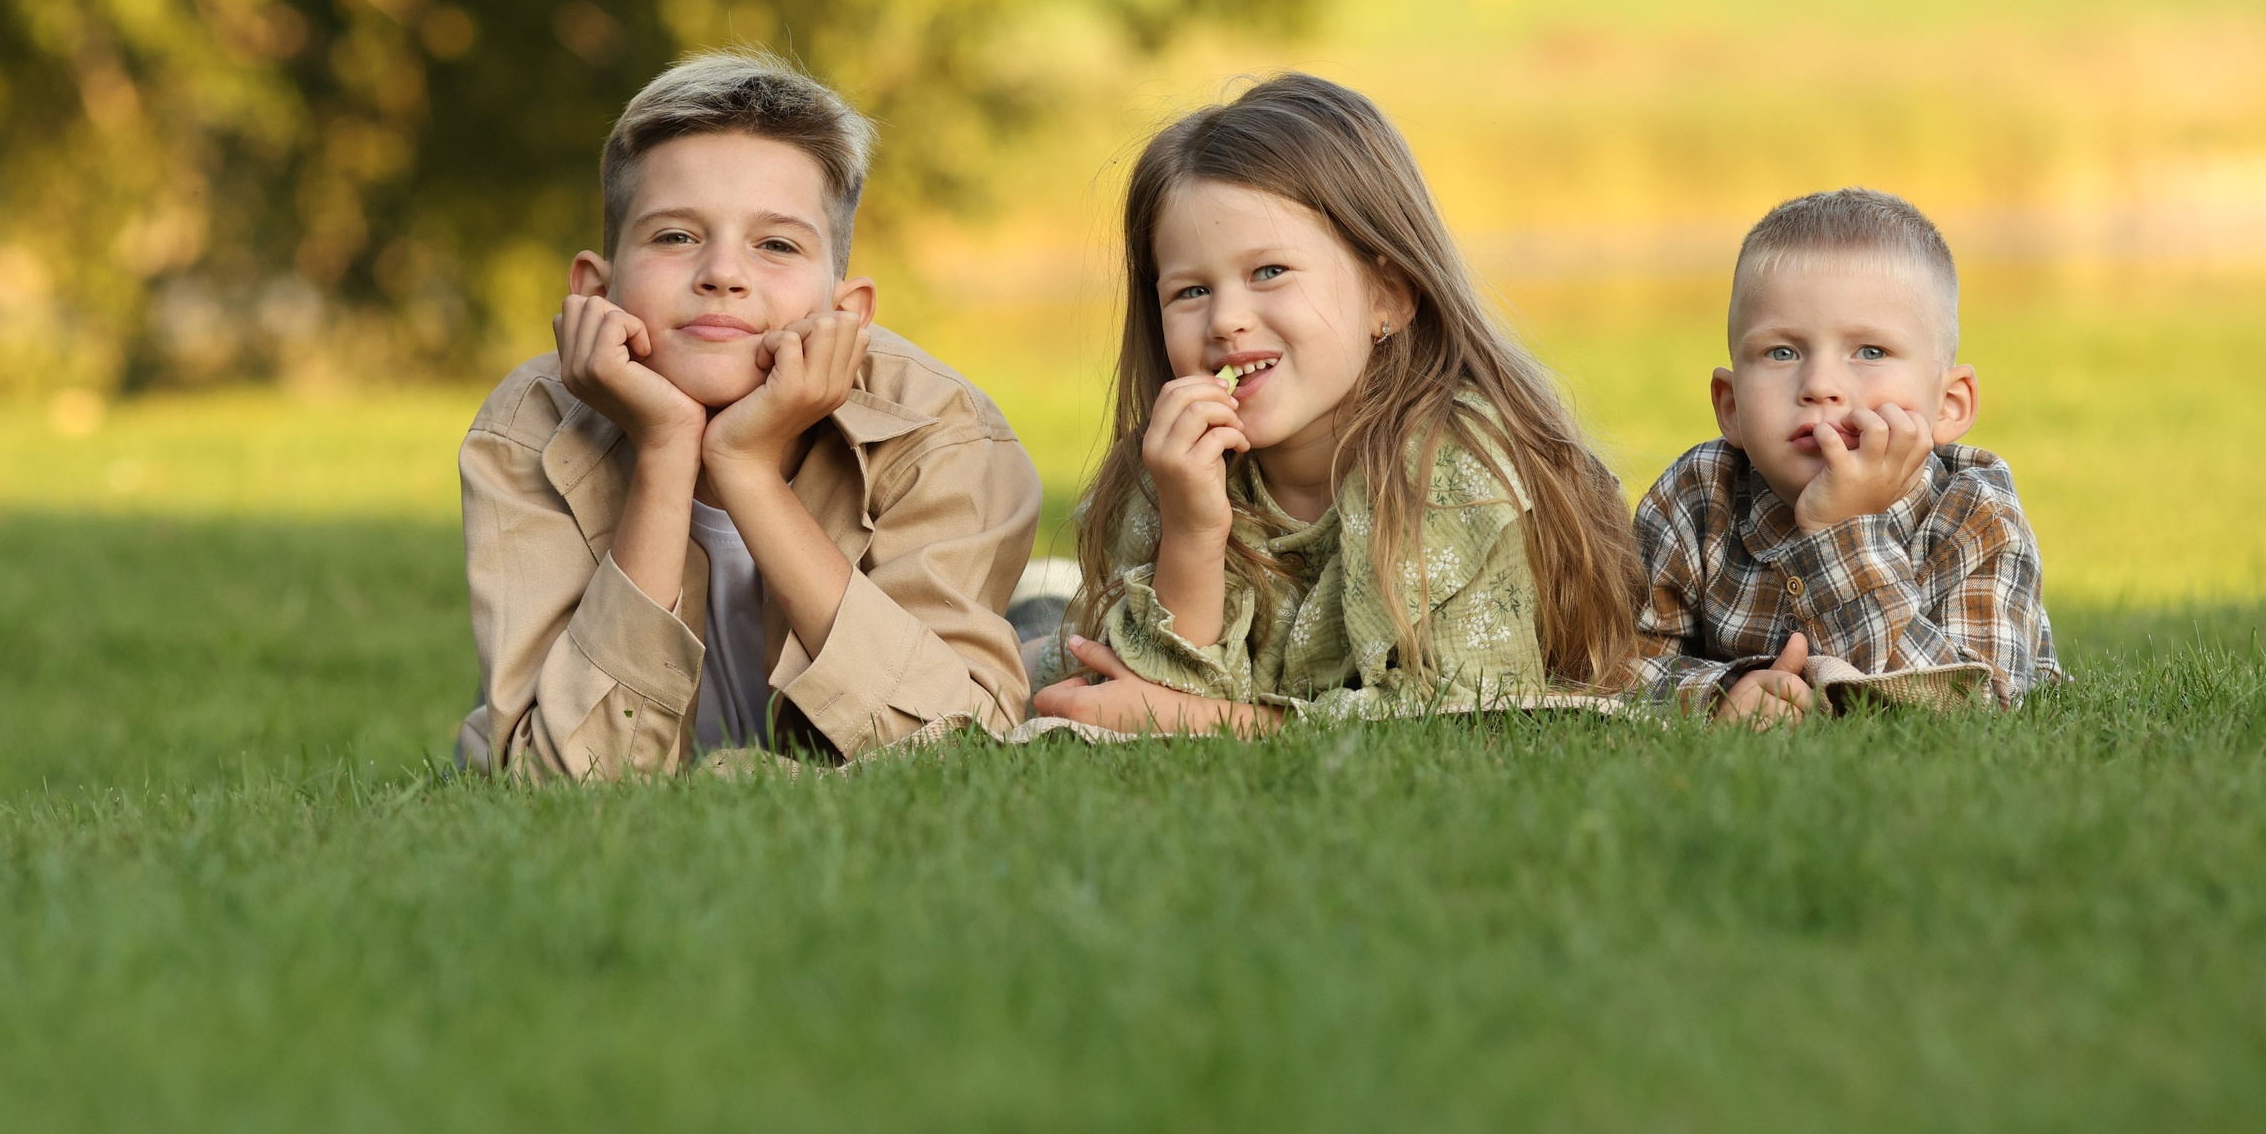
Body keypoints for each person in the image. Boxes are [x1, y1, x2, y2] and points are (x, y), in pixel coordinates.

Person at [454, 49, 1041, 777]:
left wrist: (747, 469)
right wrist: (667, 449)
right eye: (675, 236)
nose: (723, 273)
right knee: (517, 720)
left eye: (776, 244)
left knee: (1044, 660)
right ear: (595, 292)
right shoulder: (530, 429)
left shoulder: (941, 431)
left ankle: (1044, 610)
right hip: (584, 699)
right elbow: (563, 779)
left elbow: (956, 752)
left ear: (848, 313)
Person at [1031, 73, 1643, 736]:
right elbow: (1138, 704)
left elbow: (1462, 720)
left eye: (1269, 272)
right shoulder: (1165, 474)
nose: (1227, 319)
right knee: (1025, 658)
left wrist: (1216, 722)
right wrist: (1192, 533)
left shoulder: (1453, 469)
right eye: (1190, 291)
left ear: (1388, 294)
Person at [1633, 188, 2058, 726]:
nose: (1820, 384)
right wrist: (1719, 695)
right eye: (1782, 352)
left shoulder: (1976, 516)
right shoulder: (1695, 496)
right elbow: (1614, 663)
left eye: (1870, 352)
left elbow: (1975, 709)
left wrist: (1841, 530)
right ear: (1731, 405)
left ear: (1949, 405)